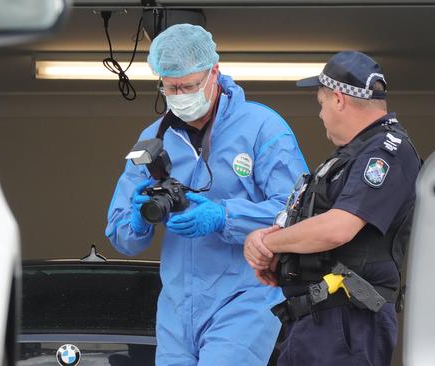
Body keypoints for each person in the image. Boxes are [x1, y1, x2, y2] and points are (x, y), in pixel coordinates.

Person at [105, 24, 308, 365]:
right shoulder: (154, 138)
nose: (181, 94)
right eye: (171, 87)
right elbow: (120, 234)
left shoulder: (262, 128)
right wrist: (139, 220)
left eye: (189, 85)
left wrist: (222, 217)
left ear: (214, 72)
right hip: (176, 308)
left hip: (245, 297)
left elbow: (295, 214)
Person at [243, 51, 422, 366]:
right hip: (312, 320)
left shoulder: (385, 152)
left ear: (339, 99)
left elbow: (339, 227)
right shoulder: (350, 156)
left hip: (345, 322)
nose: (321, 114)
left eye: (321, 103)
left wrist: (266, 242)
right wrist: (282, 255)